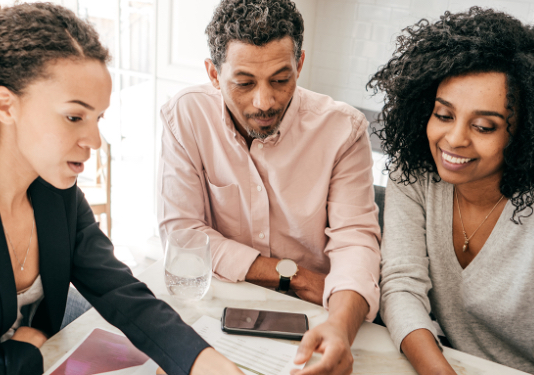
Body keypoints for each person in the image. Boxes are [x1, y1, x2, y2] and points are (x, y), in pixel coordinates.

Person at [0, 2, 245, 374]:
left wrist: (203, 361)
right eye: (74, 117)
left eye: (98, 117)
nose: (94, 139)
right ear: (6, 106)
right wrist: (20, 358)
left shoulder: (58, 197)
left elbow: (119, 289)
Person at [157, 1, 381, 374]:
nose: (265, 102)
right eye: (243, 83)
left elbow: (356, 241)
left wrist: (340, 327)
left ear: (300, 65)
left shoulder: (344, 131)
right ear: (213, 74)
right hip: (222, 308)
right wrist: (291, 275)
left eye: (281, 79)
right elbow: (181, 234)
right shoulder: (185, 115)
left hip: (319, 311)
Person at [367, 6, 534, 375]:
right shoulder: (414, 173)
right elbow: (400, 286)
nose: (454, 139)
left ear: (524, 134)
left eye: (483, 126)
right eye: (444, 115)